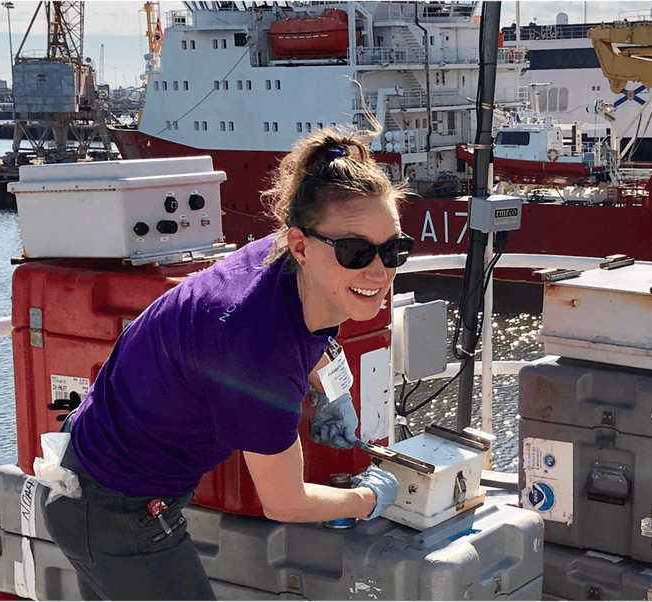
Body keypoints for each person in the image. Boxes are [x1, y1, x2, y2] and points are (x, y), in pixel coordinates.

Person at [40, 128, 411, 601]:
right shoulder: (257, 352)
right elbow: (285, 502)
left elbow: (307, 326)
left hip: (94, 472)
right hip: (118, 509)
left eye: (394, 249)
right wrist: (370, 498)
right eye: (356, 252)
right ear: (301, 245)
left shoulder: (282, 260)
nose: (379, 272)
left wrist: (329, 388)